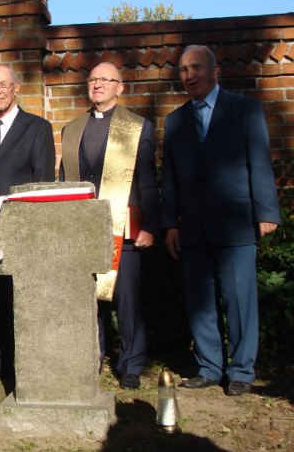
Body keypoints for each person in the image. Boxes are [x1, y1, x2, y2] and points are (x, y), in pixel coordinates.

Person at [161, 45, 280, 396]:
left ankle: (242, 370)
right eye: (183, 70)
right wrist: (170, 223)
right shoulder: (175, 120)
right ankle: (210, 366)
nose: (189, 75)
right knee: (200, 300)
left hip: (236, 222)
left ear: (215, 72)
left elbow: (259, 161)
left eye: (196, 67)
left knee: (239, 300)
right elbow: (169, 177)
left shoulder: (245, 110)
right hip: (193, 226)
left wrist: (267, 212)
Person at [60, 62, 160, 390]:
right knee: (89, 299)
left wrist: (151, 225)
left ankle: (130, 364)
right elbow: (64, 182)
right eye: (92, 79)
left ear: (120, 87)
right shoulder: (72, 128)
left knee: (127, 300)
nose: (97, 84)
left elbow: (148, 182)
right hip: (84, 227)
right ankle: (94, 357)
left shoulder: (137, 126)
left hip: (123, 229)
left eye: (105, 79)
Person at [0, 64, 56, 383]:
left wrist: (37, 230)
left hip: (19, 227)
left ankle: (23, 359)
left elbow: (43, 180)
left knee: (19, 295)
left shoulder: (37, 128)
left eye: (3, 84)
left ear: (16, 87)